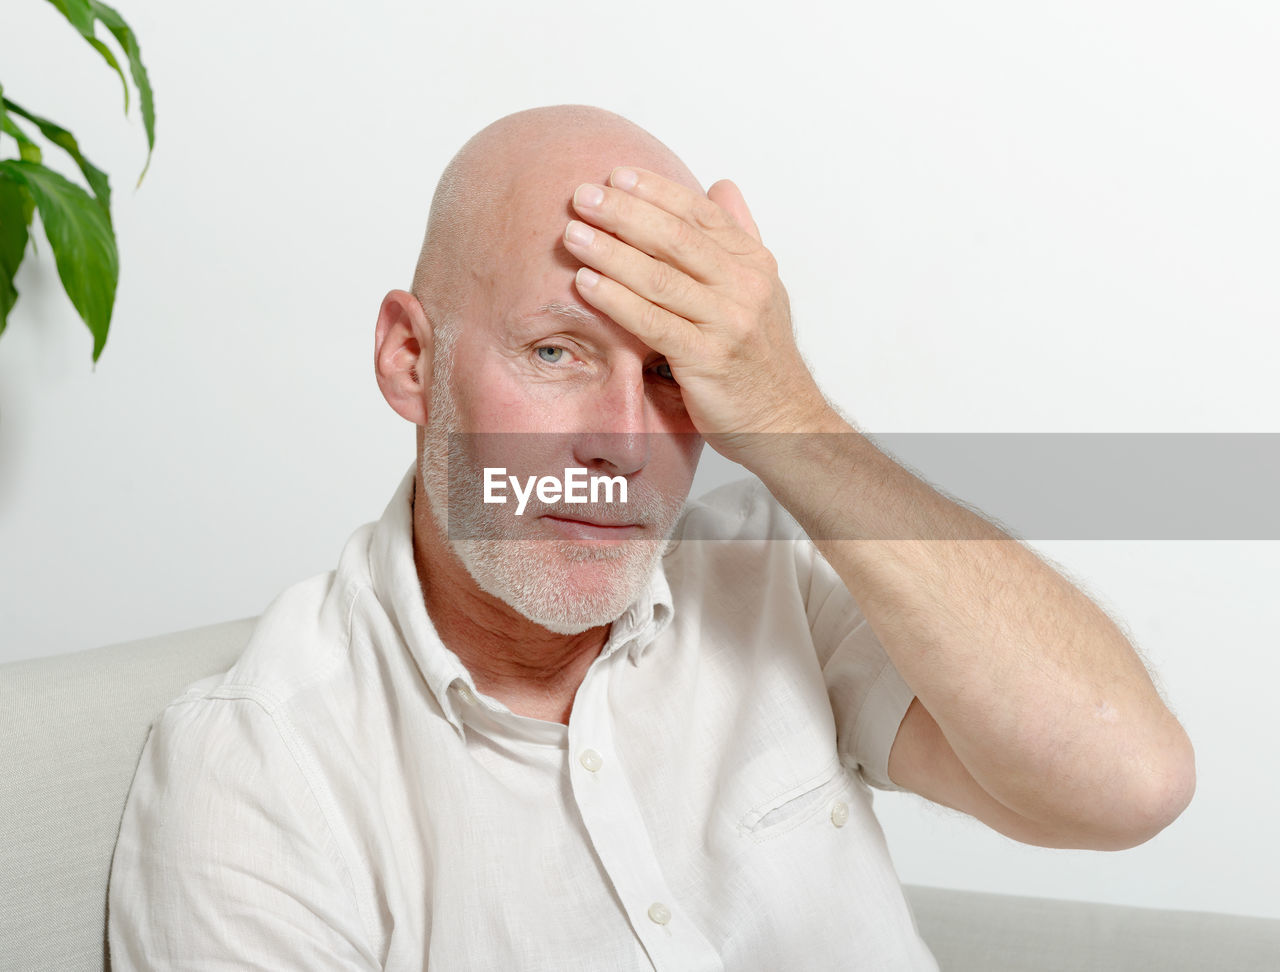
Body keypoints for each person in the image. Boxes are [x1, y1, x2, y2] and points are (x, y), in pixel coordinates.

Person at [107, 105, 1195, 970]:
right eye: (554, 353)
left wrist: (790, 419)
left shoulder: (764, 582)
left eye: (672, 374)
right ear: (408, 358)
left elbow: (1127, 781)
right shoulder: (262, 771)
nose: (621, 447)